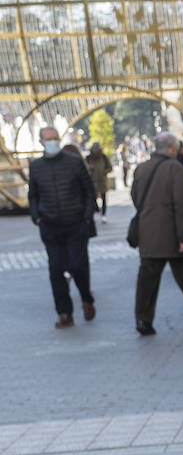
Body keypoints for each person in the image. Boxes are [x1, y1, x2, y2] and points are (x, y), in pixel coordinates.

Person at [130, 132, 183, 334]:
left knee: (147, 281)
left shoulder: (142, 168)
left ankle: (143, 320)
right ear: (170, 149)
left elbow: (135, 198)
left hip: (149, 234)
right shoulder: (175, 168)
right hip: (174, 235)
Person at [28, 126, 97, 327]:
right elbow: (33, 195)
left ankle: (86, 298)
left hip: (76, 224)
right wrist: (36, 216)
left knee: (78, 265)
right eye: (48, 138)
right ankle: (64, 313)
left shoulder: (74, 162)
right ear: (41, 142)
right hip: (50, 226)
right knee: (56, 270)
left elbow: (89, 192)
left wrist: (86, 216)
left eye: (55, 138)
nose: (52, 142)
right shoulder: (36, 166)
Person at [85, 142, 112, 224]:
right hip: (92, 182)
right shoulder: (88, 158)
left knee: (104, 199)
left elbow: (110, 167)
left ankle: (103, 215)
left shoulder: (103, 157)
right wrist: (89, 169)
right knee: (93, 199)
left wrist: (104, 171)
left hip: (102, 182)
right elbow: (84, 169)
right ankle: (96, 211)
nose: (96, 150)